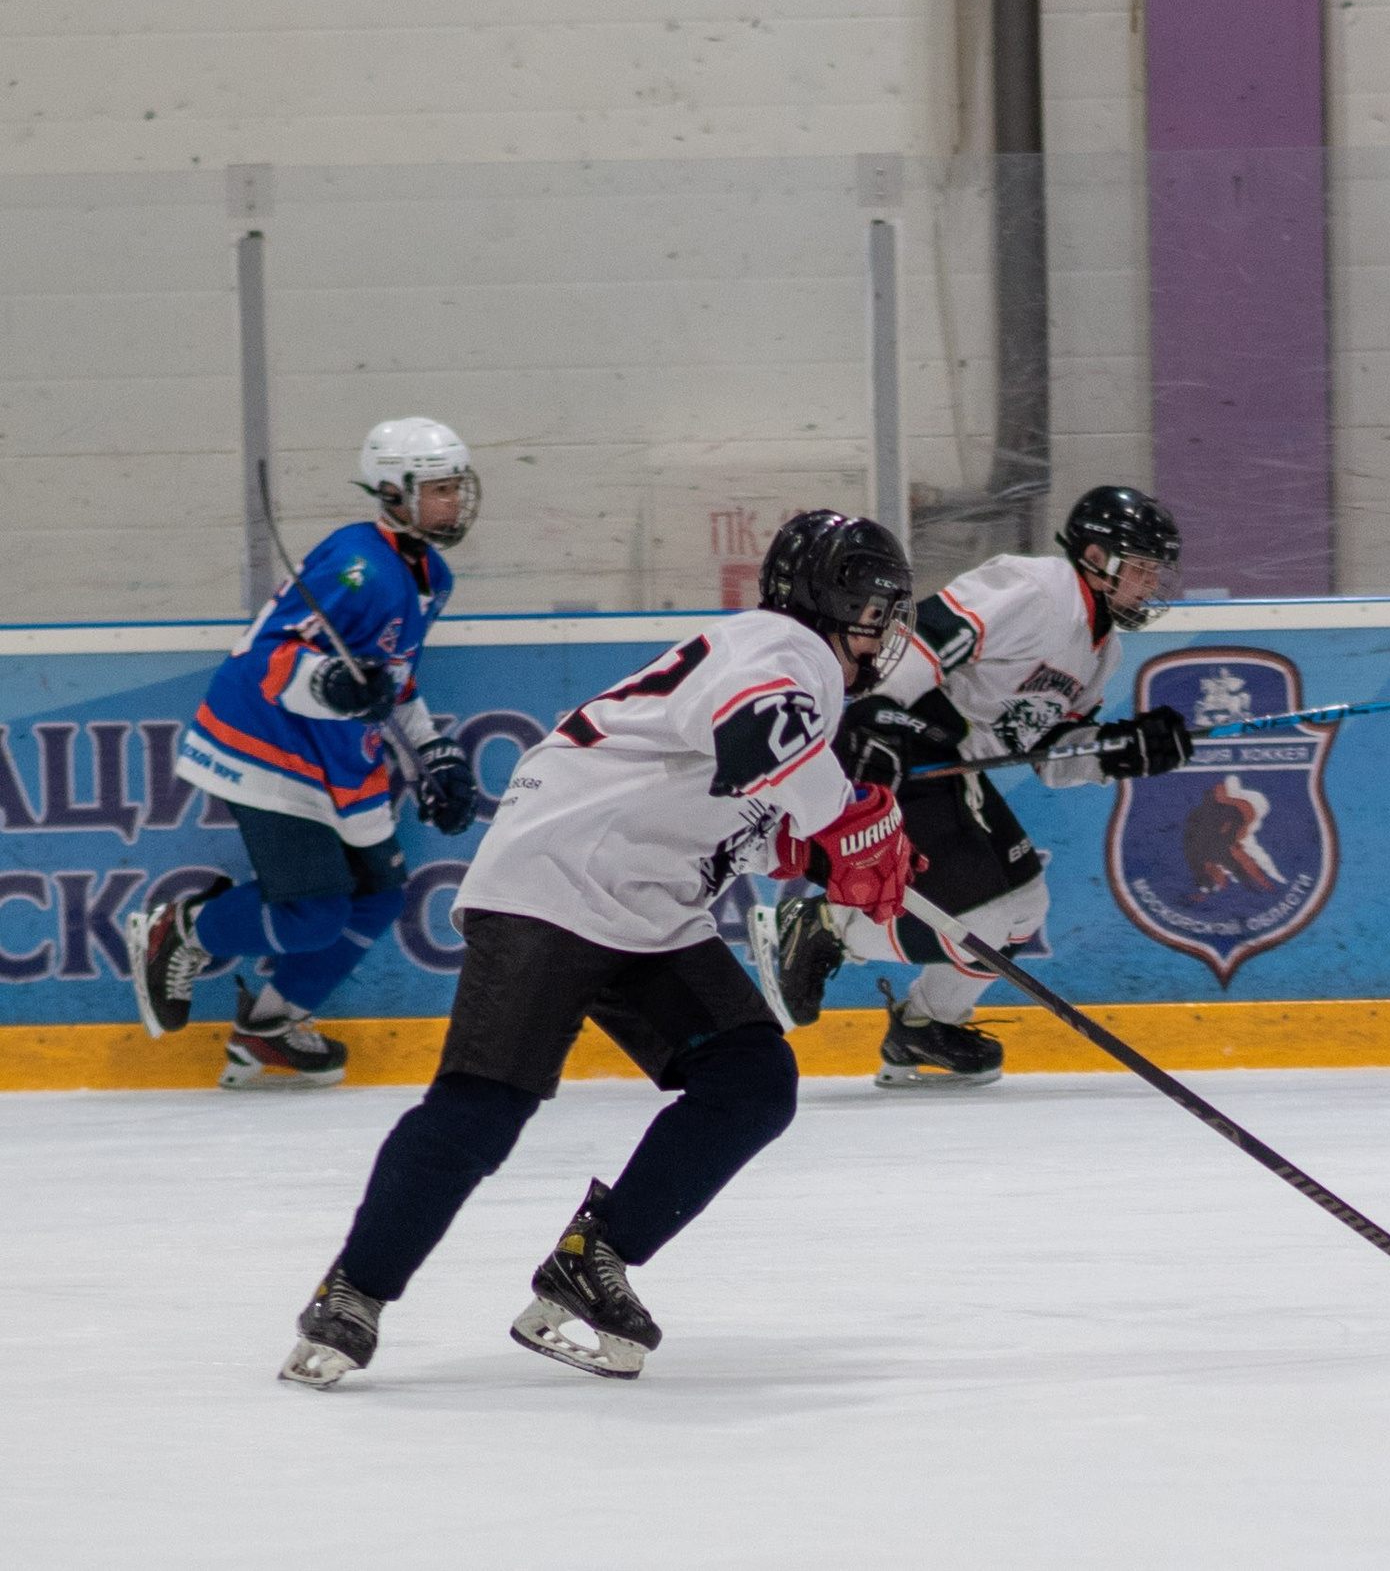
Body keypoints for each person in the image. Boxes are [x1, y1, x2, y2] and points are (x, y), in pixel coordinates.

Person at [278, 510, 917, 1388]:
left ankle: (594, 1256)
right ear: (832, 603)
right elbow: (754, 732)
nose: (883, 632)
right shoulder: (784, 646)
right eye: (876, 610)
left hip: (646, 903)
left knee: (751, 1082)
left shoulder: (790, 674)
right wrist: (847, 819)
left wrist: (812, 850)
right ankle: (353, 1290)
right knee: (483, 1109)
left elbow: (735, 793)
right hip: (556, 878)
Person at [748, 484, 1193, 1090]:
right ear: (1096, 557)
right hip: (904, 746)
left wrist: (1122, 750)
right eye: (1140, 567)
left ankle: (925, 1025)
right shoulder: (1035, 588)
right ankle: (825, 927)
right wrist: (879, 714)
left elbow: (1049, 756)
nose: (1151, 583)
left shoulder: (1101, 652)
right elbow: (926, 634)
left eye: (1154, 570)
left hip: (954, 767)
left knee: (1024, 908)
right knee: (983, 919)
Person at [126, 418, 484, 1090]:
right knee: (315, 915)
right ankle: (182, 929)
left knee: (377, 898)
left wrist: (434, 751)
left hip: (337, 751)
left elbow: (393, 680)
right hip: (268, 742)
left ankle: (269, 1026)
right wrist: (328, 681)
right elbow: (268, 652)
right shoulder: (356, 566)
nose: (454, 501)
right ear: (393, 491)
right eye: (439, 488)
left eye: (455, 486)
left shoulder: (432, 575)